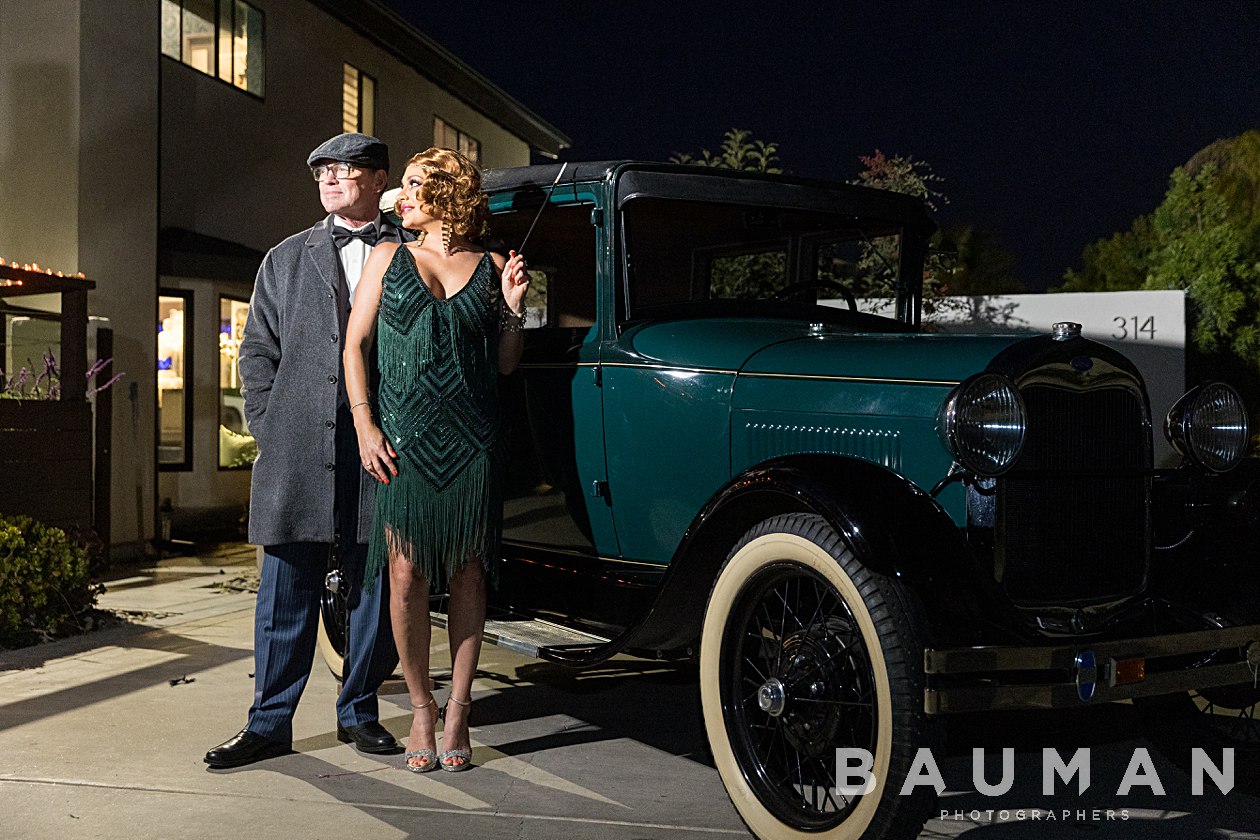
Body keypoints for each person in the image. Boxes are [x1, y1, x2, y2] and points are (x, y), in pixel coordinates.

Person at [205, 133, 406, 769]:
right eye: (321, 172)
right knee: (285, 590)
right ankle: (268, 723)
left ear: (379, 178)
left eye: (344, 171)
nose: (329, 180)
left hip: (382, 444)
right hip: (296, 446)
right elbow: (256, 351)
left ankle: (360, 712)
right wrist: (269, 425)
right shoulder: (285, 258)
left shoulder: (410, 252)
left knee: (373, 585)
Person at [343, 147, 528, 772]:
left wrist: (512, 308)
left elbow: (504, 365)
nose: (403, 193)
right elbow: (355, 346)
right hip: (402, 442)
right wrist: (366, 425)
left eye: (419, 184)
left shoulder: (494, 263)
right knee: (405, 572)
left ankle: (459, 709)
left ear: (450, 193)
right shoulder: (387, 256)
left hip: (473, 443)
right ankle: (422, 705)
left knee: (468, 574)